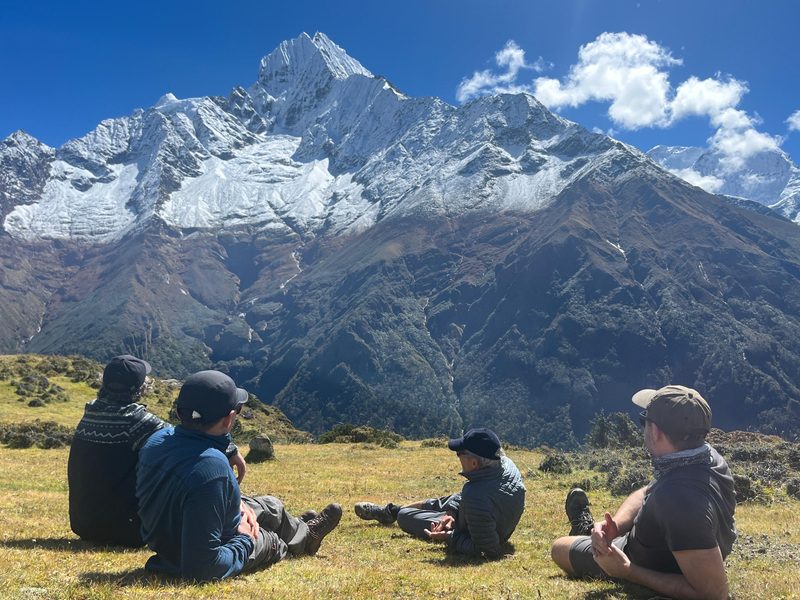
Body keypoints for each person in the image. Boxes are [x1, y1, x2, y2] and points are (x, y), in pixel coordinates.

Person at [136, 370, 342, 581]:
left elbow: (196, 450)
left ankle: (301, 530)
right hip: (202, 548)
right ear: (230, 419)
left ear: (180, 413)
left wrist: (237, 503)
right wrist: (243, 538)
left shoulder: (156, 440)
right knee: (265, 538)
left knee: (271, 505)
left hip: (173, 529)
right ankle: (299, 542)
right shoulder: (211, 467)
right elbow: (202, 568)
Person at [551, 385, 737, 600]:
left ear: (656, 431)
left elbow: (713, 595)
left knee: (559, 548)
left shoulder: (679, 500)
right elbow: (648, 491)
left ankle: (582, 531)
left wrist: (627, 570)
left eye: (644, 420)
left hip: (639, 559)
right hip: (663, 546)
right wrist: (617, 525)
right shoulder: (701, 457)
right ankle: (592, 531)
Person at [68, 355, 246, 546]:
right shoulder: (137, 421)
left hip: (82, 524)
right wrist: (230, 449)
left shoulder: (90, 410)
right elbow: (190, 433)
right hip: (128, 530)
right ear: (138, 388)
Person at [354, 428, 525, 559]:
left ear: (474, 463)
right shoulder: (505, 464)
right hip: (489, 517)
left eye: (460, 454)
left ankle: (396, 513)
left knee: (405, 516)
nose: (457, 456)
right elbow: (475, 498)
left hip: (479, 530)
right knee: (447, 502)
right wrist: (451, 513)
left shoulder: (475, 495)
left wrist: (449, 537)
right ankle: (389, 511)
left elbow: (488, 550)